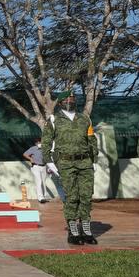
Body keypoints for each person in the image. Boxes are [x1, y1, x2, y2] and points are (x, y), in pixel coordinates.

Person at [44, 89, 100, 245]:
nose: (70, 102)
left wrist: (94, 160)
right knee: (72, 197)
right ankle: (73, 230)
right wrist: (48, 161)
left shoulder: (84, 119)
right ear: (61, 103)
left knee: (86, 196)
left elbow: (92, 140)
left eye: (72, 99)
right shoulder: (54, 120)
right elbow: (46, 142)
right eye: (67, 100)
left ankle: (86, 229)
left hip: (85, 162)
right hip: (65, 163)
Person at [21, 138, 57, 203]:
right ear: (35, 143)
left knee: (43, 181)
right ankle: (40, 198)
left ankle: (44, 196)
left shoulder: (45, 149)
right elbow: (25, 154)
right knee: (39, 181)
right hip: (36, 166)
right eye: (37, 142)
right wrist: (30, 159)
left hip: (43, 166)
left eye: (40, 142)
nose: (39, 143)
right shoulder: (33, 148)